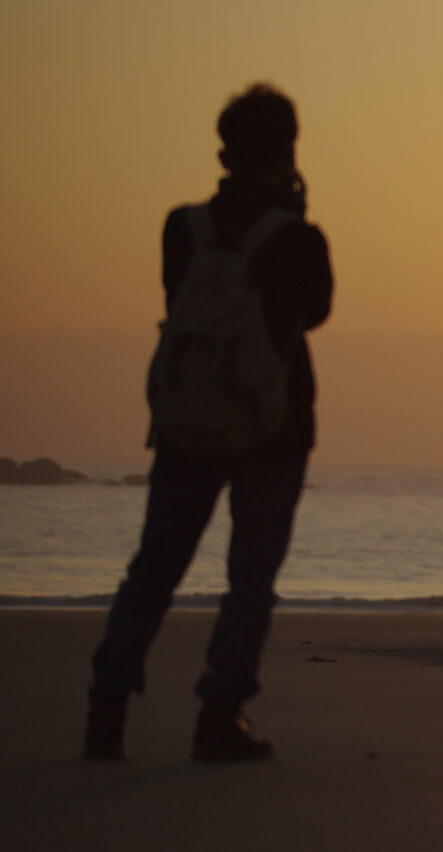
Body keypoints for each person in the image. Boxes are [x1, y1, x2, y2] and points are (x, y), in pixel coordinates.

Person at [85, 84, 333, 762]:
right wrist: (296, 214)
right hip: (273, 428)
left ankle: (106, 709)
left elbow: (178, 297)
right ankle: (219, 715)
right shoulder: (297, 238)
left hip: (187, 422)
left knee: (155, 565)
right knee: (249, 576)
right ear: (287, 152)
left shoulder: (181, 227)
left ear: (223, 150)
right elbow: (314, 313)